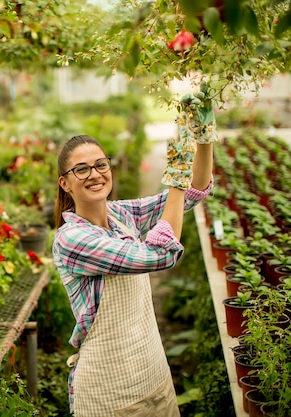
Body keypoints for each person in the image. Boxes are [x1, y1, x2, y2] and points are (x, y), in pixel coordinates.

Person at [52, 85, 216, 417]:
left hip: (153, 373)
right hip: (108, 391)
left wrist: (203, 138)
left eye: (100, 164)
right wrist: (175, 177)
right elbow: (161, 255)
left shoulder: (121, 215)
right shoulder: (72, 240)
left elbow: (192, 193)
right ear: (65, 183)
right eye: (81, 169)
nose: (94, 174)